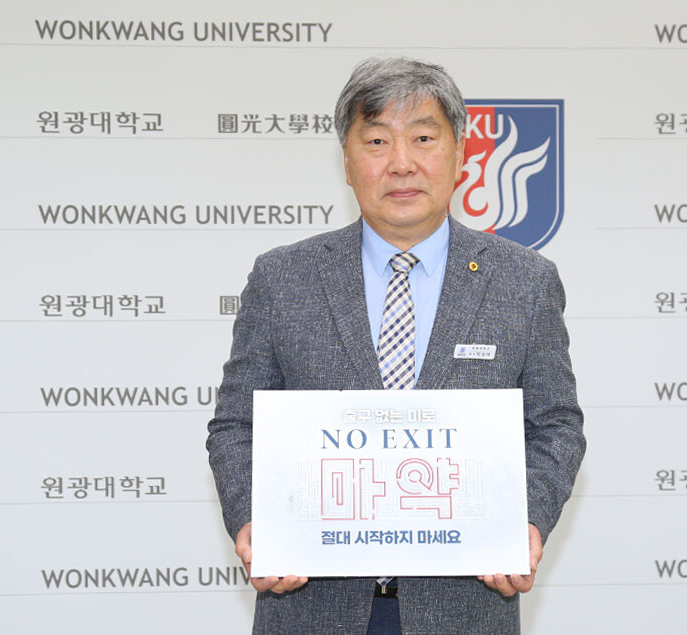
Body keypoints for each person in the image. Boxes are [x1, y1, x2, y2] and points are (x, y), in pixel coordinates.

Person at [207, 57, 585, 634]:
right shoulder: (283, 278)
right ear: (347, 160)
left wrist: (524, 522)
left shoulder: (523, 281)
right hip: (310, 607)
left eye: (424, 139)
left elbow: (555, 423)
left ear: (460, 154)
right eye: (377, 140)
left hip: (463, 609)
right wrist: (254, 520)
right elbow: (237, 424)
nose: (402, 162)